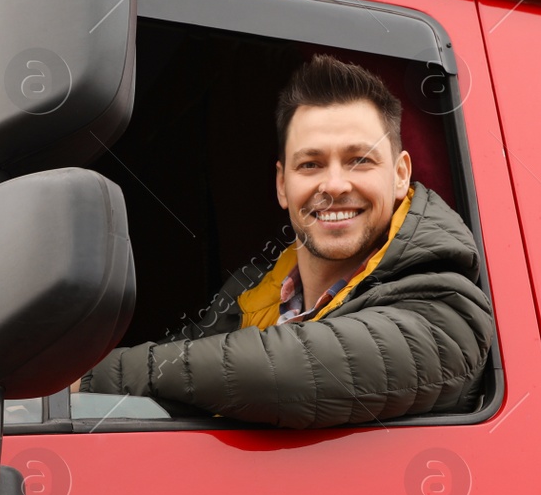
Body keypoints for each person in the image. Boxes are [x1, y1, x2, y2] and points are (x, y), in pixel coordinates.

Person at [81, 54, 495, 428]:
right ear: (283, 184)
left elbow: (289, 367)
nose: (334, 185)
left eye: (360, 160)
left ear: (401, 174)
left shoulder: (447, 309)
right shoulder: (251, 290)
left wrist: (89, 380)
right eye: (311, 164)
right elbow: (186, 360)